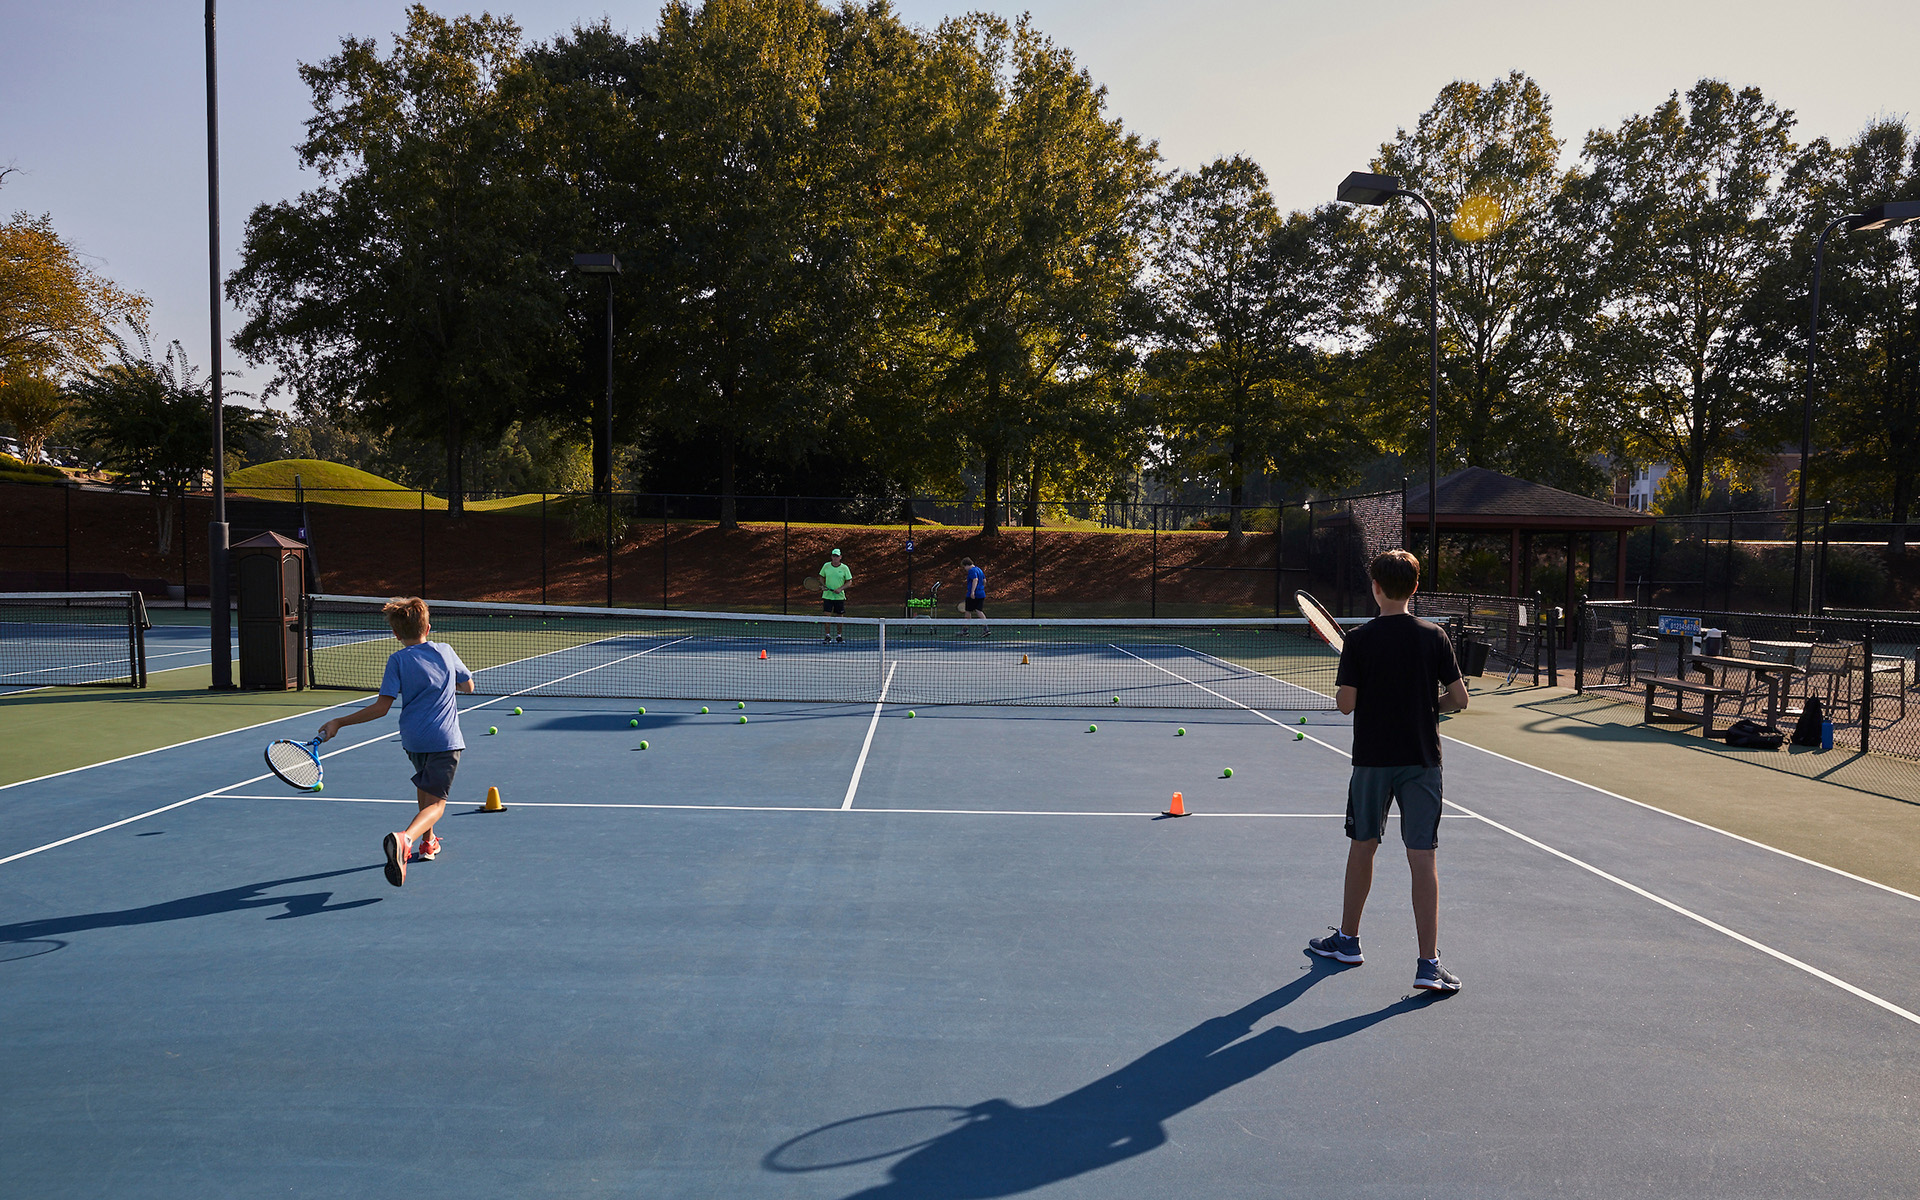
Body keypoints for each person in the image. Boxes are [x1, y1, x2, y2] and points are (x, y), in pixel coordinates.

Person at [1307, 549, 1469, 992]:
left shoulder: (1359, 640)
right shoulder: (1435, 636)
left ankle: (1348, 941)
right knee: (1423, 857)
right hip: (1422, 760)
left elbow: (1346, 704)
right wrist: (1427, 708)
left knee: (1363, 847)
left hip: (1373, 761)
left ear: (1375, 588)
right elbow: (1460, 699)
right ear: (1414, 588)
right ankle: (1428, 964)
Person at [317, 596, 474, 888]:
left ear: (396, 633)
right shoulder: (445, 650)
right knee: (437, 805)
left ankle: (428, 842)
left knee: (425, 787)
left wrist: (339, 721)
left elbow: (381, 708)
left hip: (413, 740)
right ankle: (407, 839)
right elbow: (468, 685)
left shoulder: (397, 660)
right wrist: (448, 684)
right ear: (428, 627)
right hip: (444, 739)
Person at [820, 547, 853, 643]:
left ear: (840, 557)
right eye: (834, 556)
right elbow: (821, 577)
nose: (835, 558)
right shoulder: (826, 566)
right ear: (831, 557)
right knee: (827, 616)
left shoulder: (845, 568)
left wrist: (840, 589)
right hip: (827, 596)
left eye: (837, 556)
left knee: (839, 617)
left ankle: (839, 636)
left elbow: (849, 581)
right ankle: (827, 636)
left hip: (839, 597)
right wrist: (823, 585)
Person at [957, 556, 989, 636]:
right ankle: (986, 629)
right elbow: (984, 581)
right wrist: (981, 588)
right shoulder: (979, 569)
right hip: (981, 594)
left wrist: (972, 592)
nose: (965, 569)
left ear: (967, 565)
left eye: (964, 567)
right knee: (979, 611)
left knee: (968, 611)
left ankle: (965, 630)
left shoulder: (971, 570)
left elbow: (975, 579)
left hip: (973, 594)